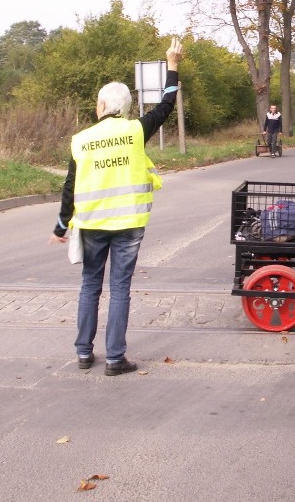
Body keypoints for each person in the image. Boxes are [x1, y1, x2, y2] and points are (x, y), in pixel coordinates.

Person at [49, 39, 183, 376]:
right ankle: (114, 359)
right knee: (120, 287)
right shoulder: (136, 130)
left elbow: (70, 186)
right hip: (129, 225)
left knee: (90, 285)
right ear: (124, 108)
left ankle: (83, 353)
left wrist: (62, 226)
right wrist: (173, 64)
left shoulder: (81, 140)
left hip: (92, 226)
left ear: (103, 105)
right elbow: (166, 104)